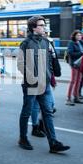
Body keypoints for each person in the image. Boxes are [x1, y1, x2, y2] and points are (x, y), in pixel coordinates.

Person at [17, 15, 70, 153]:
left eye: (44, 25)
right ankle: (23, 138)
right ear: (33, 28)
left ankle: (53, 143)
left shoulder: (46, 42)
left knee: (48, 112)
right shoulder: (26, 43)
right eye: (41, 25)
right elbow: (20, 64)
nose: (44, 27)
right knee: (27, 112)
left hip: (45, 83)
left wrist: (49, 75)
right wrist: (31, 78)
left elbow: (50, 61)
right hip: (32, 84)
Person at [66, 30, 83, 105]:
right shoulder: (71, 43)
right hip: (74, 64)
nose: (79, 36)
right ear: (74, 36)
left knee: (79, 81)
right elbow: (70, 53)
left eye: (80, 35)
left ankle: (76, 97)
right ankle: (68, 98)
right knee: (73, 81)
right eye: (77, 35)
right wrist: (81, 52)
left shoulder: (81, 42)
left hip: (80, 64)